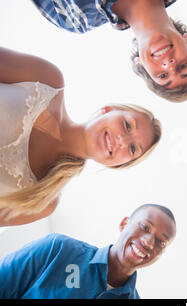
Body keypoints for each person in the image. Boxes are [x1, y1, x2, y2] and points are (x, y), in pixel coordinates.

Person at [0, 47, 162, 226]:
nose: (123, 140)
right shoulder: (47, 79)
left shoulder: (43, 202)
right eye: (127, 125)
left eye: (132, 148)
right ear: (109, 110)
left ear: (118, 165)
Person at [31, 0, 187, 102]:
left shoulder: (75, 19)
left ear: (140, 64)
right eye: (182, 66)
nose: (169, 65)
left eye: (162, 76)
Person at [0, 204, 176, 299]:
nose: (149, 242)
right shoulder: (58, 249)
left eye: (161, 241)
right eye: (145, 227)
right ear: (124, 223)